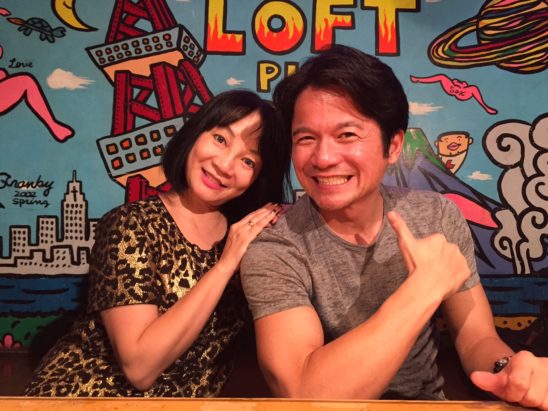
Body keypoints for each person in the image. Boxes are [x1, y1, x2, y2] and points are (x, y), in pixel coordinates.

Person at [240, 45, 548, 409]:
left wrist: (510, 371)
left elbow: (476, 338)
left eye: (347, 135)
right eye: (306, 138)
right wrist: (423, 289)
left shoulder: (435, 217)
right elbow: (305, 392)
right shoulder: (275, 245)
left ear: (394, 146)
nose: (323, 158)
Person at [25, 89, 292, 396]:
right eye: (220, 139)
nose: (224, 164)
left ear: (258, 178)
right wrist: (225, 265)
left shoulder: (250, 238)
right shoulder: (130, 224)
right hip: (86, 398)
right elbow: (139, 367)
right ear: (195, 135)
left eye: (247, 160)